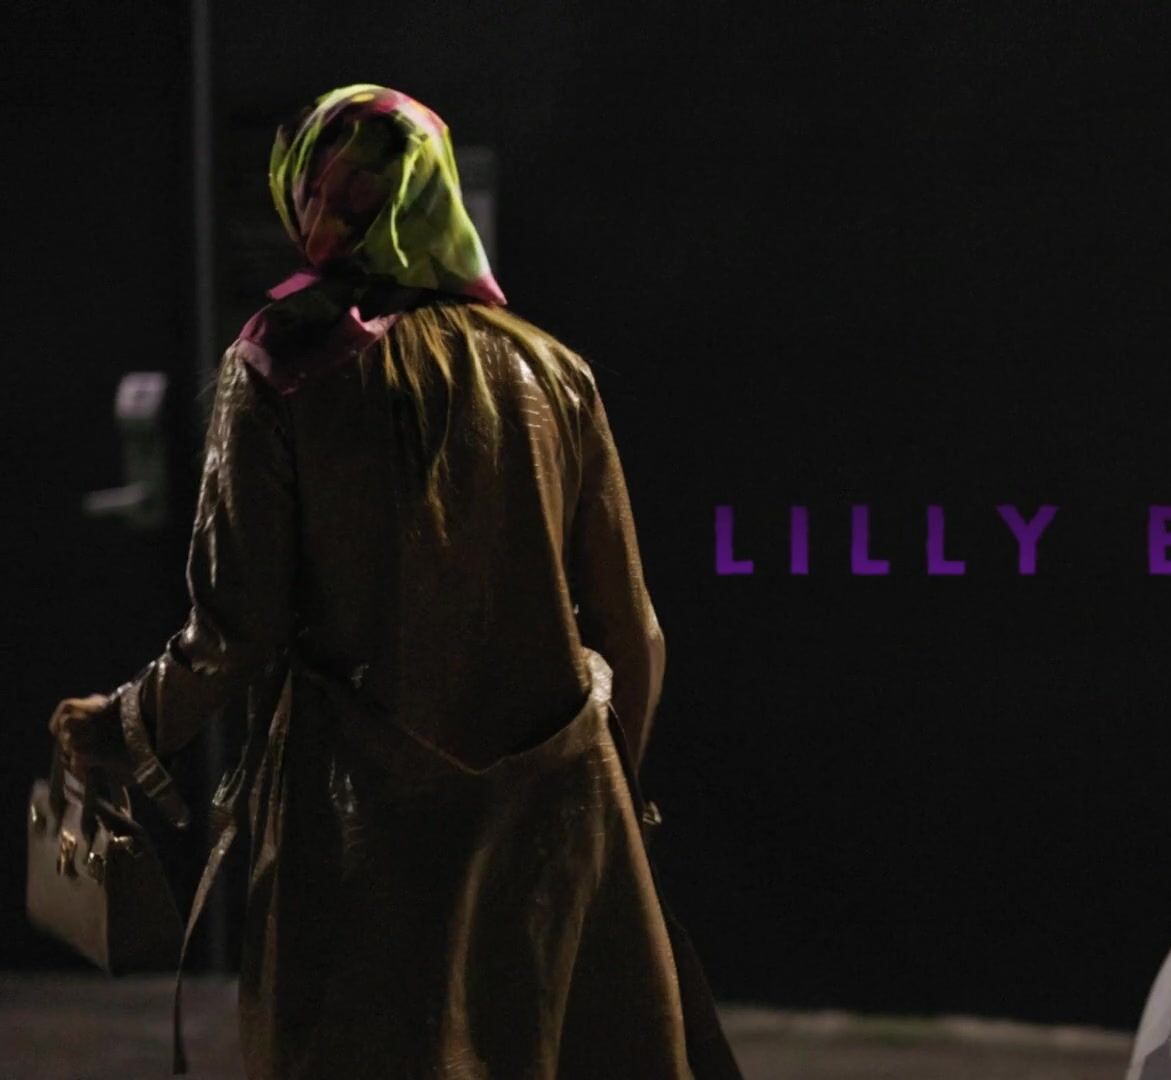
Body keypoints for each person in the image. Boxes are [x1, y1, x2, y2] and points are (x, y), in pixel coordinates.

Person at [47, 83, 733, 1079]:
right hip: (561, 812)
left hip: (361, 830)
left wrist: (125, 729)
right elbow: (634, 631)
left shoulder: (280, 364)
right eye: (317, 193)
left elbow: (237, 628)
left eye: (332, 194)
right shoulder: (554, 371)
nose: (318, 215)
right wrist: (605, 806)